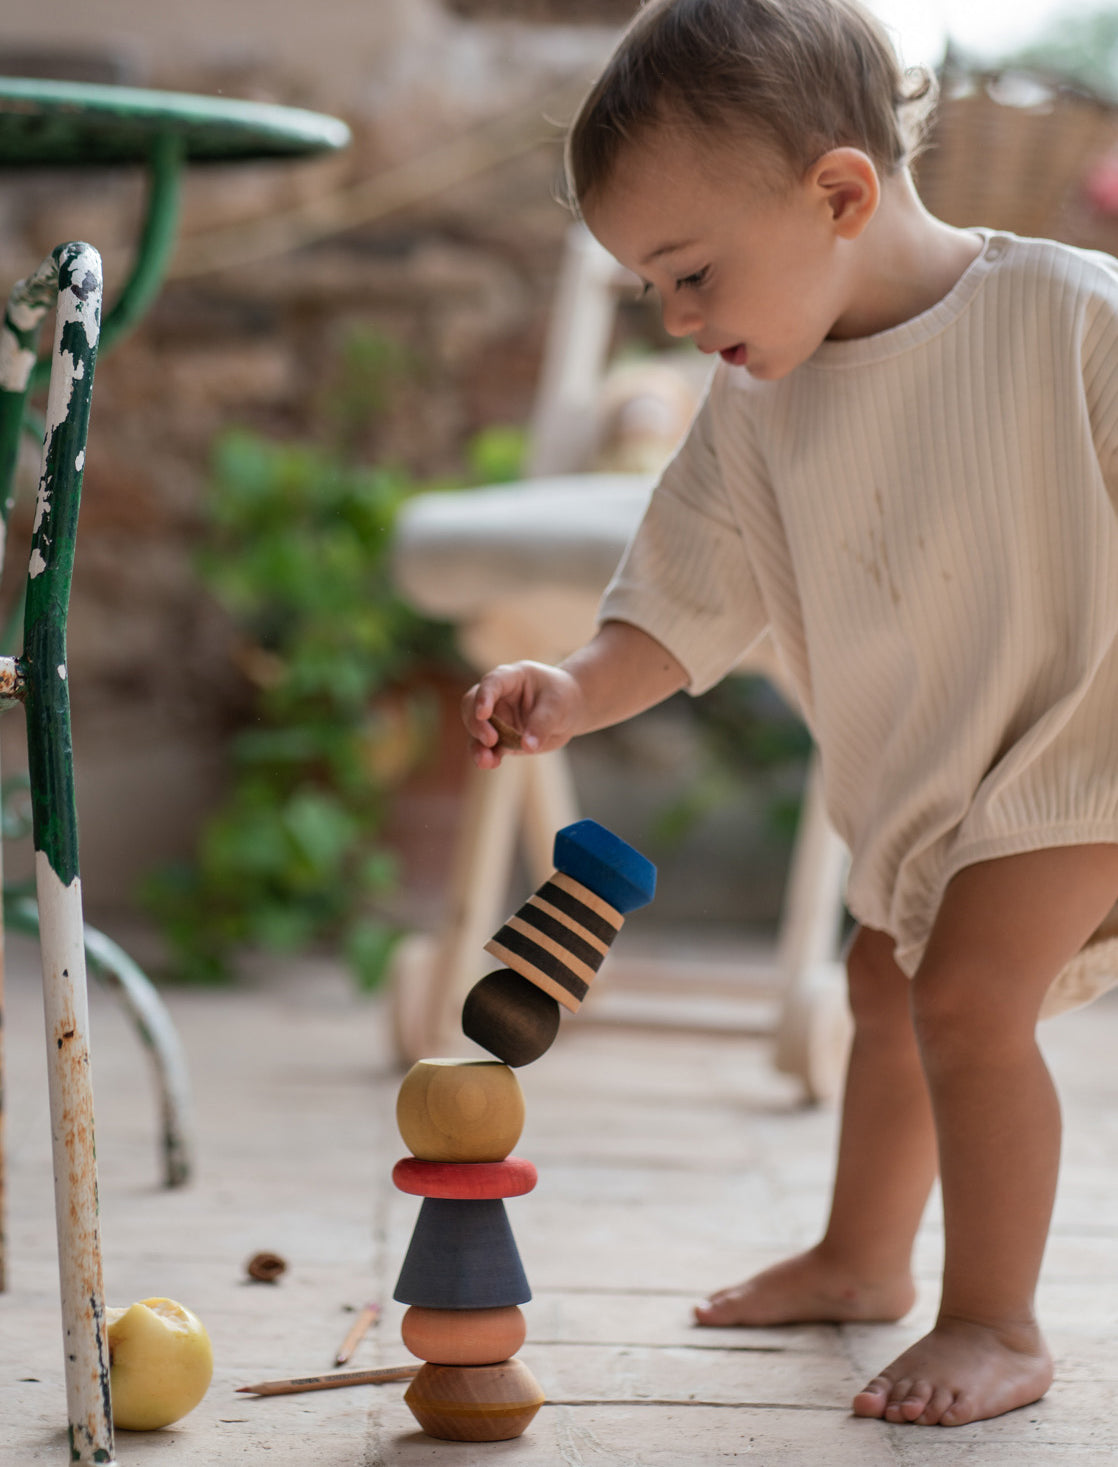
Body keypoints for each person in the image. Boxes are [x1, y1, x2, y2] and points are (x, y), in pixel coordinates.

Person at [461, 0, 1118, 1430]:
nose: (681, 320)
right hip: (923, 774)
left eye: (690, 273)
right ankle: (857, 1257)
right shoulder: (758, 403)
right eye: (651, 293)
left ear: (837, 192)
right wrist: (574, 688)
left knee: (960, 999)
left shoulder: (1070, 318)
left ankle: (997, 1319)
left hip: (1084, 753)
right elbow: (683, 592)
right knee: (883, 987)